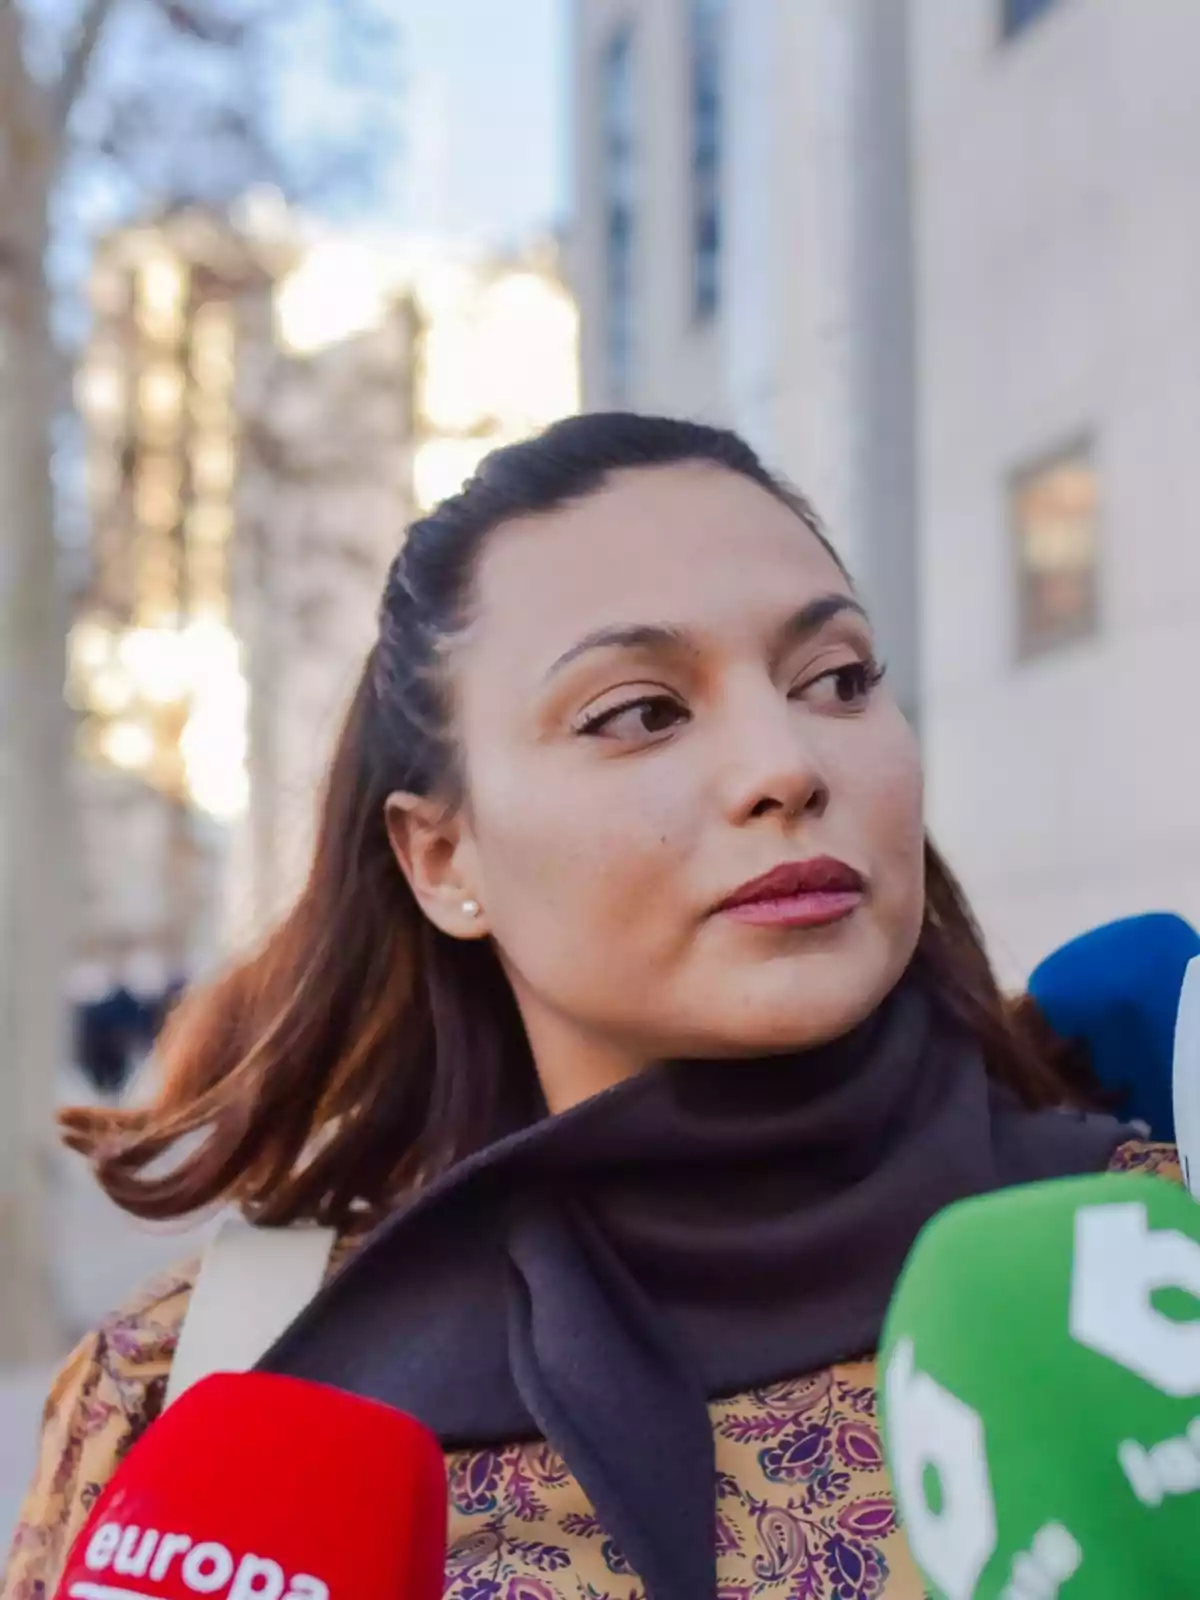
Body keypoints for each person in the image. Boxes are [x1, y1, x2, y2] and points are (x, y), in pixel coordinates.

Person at [3, 415, 1177, 1600]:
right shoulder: (197, 1393)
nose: (786, 763)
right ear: (443, 858)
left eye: (837, 679)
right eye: (642, 712)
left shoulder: (1153, 1268)